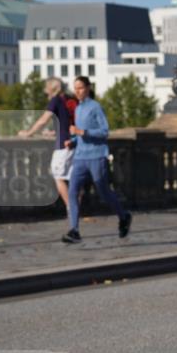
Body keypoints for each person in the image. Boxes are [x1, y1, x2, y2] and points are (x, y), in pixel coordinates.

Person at [63, 76, 132, 244]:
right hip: (80, 157)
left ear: (88, 88)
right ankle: (74, 231)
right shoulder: (78, 109)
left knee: (104, 192)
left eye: (80, 87)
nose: (77, 91)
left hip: (96, 155)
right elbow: (79, 135)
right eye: (75, 88)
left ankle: (124, 217)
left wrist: (82, 132)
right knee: (72, 191)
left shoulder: (95, 107)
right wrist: (72, 142)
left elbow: (104, 132)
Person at [18, 77, 75, 208]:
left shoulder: (55, 100)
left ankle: (71, 208)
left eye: (46, 89)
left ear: (52, 89)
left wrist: (28, 133)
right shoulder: (67, 99)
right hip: (73, 142)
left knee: (59, 177)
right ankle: (75, 207)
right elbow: (66, 121)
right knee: (72, 178)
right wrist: (54, 132)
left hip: (63, 145)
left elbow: (43, 120)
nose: (45, 92)